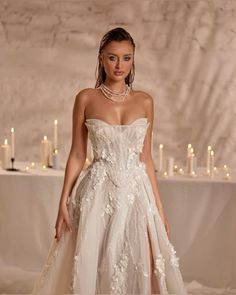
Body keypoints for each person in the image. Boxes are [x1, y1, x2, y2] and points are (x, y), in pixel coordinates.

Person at [31, 27, 188, 294]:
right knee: (98, 259)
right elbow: (78, 154)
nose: (120, 65)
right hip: (98, 191)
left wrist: (159, 208)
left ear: (133, 59)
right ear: (101, 58)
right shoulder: (86, 98)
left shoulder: (145, 101)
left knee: (144, 261)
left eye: (127, 58)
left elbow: (146, 158)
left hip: (137, 192)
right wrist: (63, 202)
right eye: (113, 57)